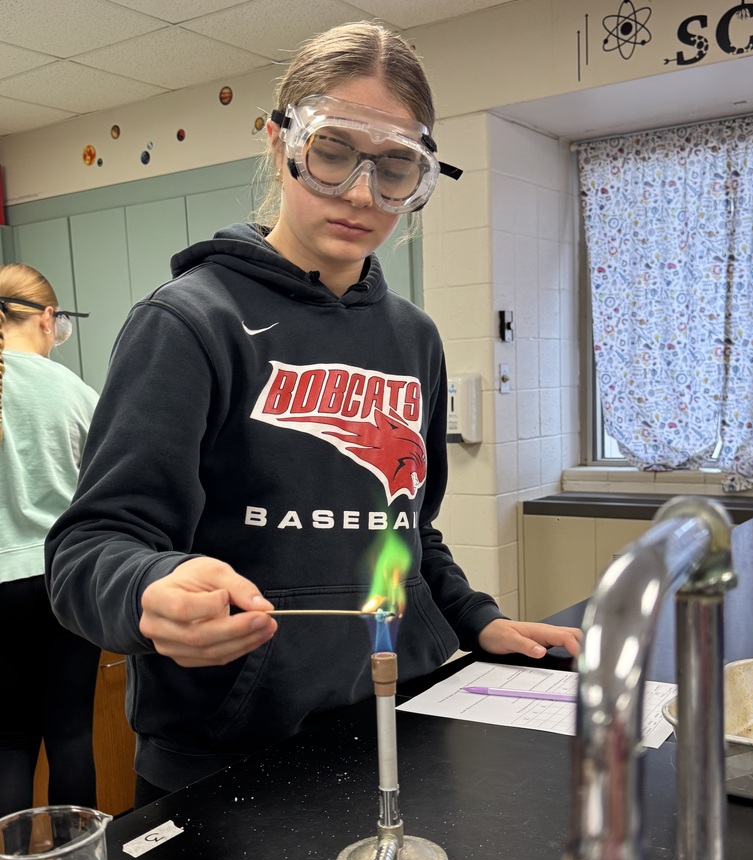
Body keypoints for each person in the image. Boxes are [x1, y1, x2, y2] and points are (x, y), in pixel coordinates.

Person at [45, 22, 582, 808]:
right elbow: (87, 550)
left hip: (401, 722)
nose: (362, 194)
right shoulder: (190, 322)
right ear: (280, 143)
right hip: (231, 761)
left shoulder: (413, 337)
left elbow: (405, 531)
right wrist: (150, 585)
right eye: (333, 152)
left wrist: (475, 619)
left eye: (397, 168)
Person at [0, 264, 102, 816]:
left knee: (9, 743)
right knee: (70, 735)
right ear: (45, 318)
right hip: (62, 583)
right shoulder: (73, 390)